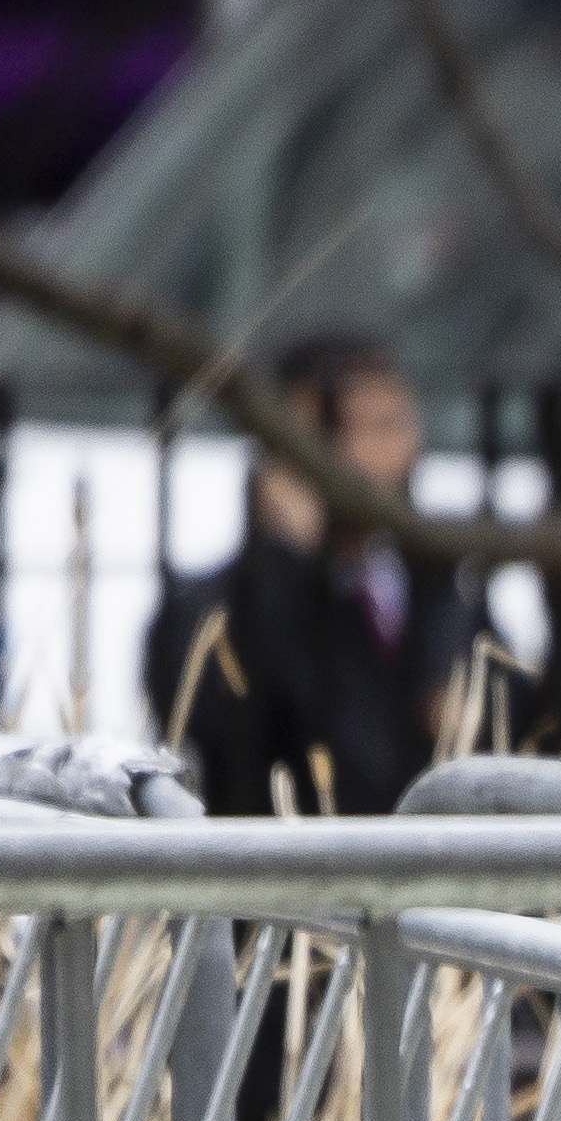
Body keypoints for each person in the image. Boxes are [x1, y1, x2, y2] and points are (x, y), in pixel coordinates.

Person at [140, 335, 485, 818]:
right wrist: (288, 560)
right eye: (371, 429)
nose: (404, 450)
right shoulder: (208, 608)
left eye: (400, 425)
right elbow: (230, 732)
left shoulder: (434, 586)